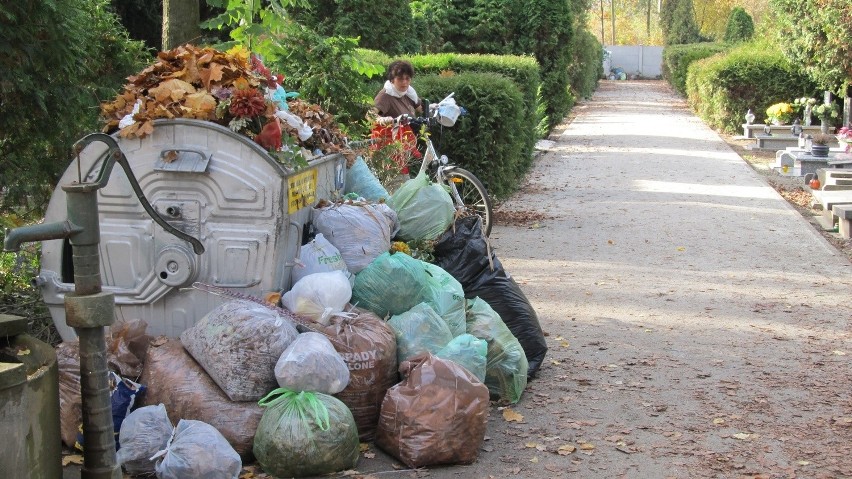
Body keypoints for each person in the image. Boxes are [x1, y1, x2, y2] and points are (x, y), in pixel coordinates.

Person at [371, 60, 423, 177]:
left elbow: (421, 109)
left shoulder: (408, 93)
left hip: (405, 149)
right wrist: (381, 119)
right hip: (390, 152)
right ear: (392, 79)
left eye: (407, 79)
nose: (404, 83)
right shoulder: (386, 95)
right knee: (399, 186)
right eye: (400, 79)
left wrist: (439, 107)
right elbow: (369, 115)